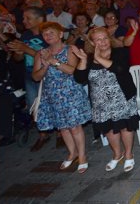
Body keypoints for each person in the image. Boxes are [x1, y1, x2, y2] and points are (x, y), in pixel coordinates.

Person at [72, 27, 140, 173]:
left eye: (105, 38)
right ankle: (117, 154)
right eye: (98, 39)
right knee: (108, 129)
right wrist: (83, 60)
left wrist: (100, 59)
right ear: (92, 41)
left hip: (122, 98)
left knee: (125, 126)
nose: (102, 42)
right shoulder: (88, 57)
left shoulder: (120, 52)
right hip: (100, 102)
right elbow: (80, 78)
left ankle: (129, 154)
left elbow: (120, 69)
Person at [32, 22, 91, 173]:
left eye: (51, 32)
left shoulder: (70, 49)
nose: (48, 36)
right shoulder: (41, 53)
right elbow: (36, 77)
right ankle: (72, 153)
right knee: (63, 127)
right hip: (52, 95)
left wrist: (53, 61)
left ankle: (82, 156)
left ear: (60, 34)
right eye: (45, 34)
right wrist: (45, 66)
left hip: (70, 93)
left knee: (75, 126)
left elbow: (73, 71)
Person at [3, 6, 49, 151]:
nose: (24, 21)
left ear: (39, 19)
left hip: (47, 74)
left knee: (52, 103)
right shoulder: (26, 36)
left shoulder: (48, 34)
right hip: (30, 74)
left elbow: (49, 56)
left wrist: (25, 49)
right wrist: (17, 51)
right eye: (24, 18)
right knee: (33, 105)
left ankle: (60, 133)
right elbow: (19, 58)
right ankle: (43, 134)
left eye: (28, 18)